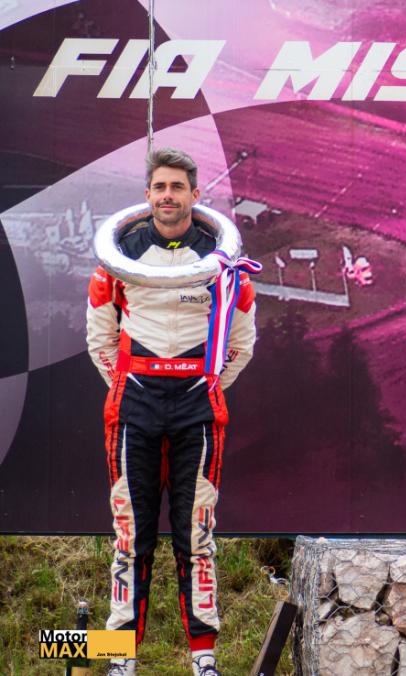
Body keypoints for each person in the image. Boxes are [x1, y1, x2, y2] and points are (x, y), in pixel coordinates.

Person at [87, 148, 257, 676]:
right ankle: (118, 657)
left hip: (196, 408)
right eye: (160, 186)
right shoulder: (119, 257)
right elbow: (100, 340)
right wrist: (132, 384)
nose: (168, 196)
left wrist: (202, 386)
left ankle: (204, 658)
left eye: (177, 187)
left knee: (197, 534)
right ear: (147, 195)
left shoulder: (222, 261)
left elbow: (241, 344)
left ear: (194, 195)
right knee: (129, 535)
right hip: (133, 405)